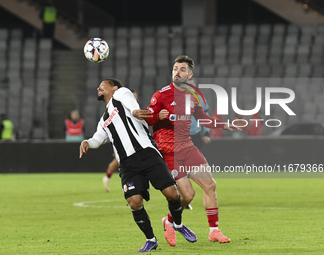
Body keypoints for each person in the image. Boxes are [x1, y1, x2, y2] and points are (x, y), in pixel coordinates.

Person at [79, 78, 197, 252]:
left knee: (172, 193)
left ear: (114, 87)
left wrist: (134, 111)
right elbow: (98, 138)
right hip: (127, 164)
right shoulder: (104, 119)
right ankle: (151, 239)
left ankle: (178, 224)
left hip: (146, 152)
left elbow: (130, 102)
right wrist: (88, 141)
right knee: (134, 202)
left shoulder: (121, 94)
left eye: (103, 85)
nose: (98, 87)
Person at [145, 55, 241, 247]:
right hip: (169, 151)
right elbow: (146, 118)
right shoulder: (161, 94)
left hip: (187, 146)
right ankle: (169, 221)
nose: (177, 72)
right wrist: (156, 116)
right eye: (175, 68)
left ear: (190, 74)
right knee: (188, 195)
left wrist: (224, 125)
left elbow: (202, 118)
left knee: (210, 185)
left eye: (182, 69)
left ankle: (214, 231)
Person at [102, 90, 138, 192]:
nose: (134, 99)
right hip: (121, 139)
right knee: (120, 160)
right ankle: (124, 183)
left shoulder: (134, 109)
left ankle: (131, 183)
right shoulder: (120, 109)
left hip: (132, 139)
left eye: (135, 97)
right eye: (132, 97)